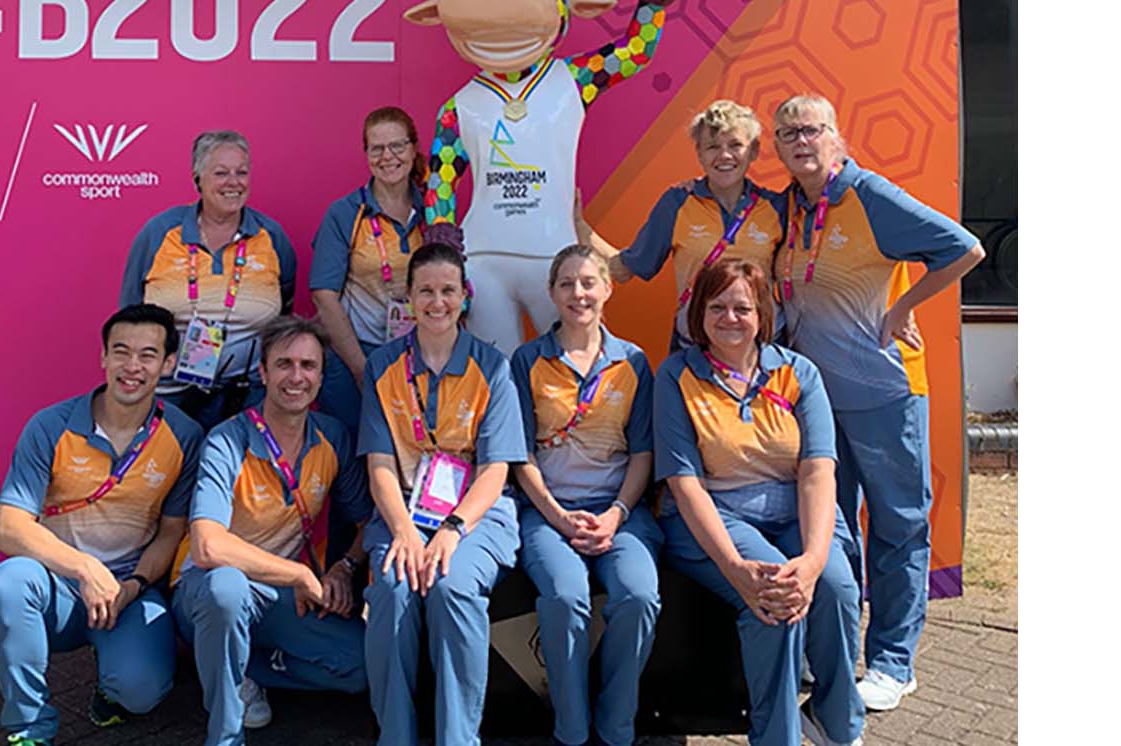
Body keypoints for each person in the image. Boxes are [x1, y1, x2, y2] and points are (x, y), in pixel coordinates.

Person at [766, 94, 985, 712]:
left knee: (899, 527)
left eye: (811, 129)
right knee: (832, 528)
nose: (800, 140)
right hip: (816, 399)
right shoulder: (789, 208)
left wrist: (903, 309)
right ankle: (834, 653)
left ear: (835, 136)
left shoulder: (869, 196)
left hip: (884, 391)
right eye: (787, 133)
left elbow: (965, 248)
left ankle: (893, 662)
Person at [654, 259, 863, 746]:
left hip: (797, 510)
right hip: (717, 515)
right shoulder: (676, 377)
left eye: (742, 308)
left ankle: (834, 720)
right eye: (717, 306)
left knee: (836, 586)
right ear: (698, 315)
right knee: (773, 594)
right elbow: (685, 485)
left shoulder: (798, 374)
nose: (730, 318)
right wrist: (731, 565)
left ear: (762, 314)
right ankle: (775, 736)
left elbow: (817, 471)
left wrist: (812, 560)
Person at [0, 303, 207, 746]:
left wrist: (134, 584)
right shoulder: (50, 426)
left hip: (130, 592)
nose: (132, 366)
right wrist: (84, 569)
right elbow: (8, 527)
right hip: (57, 584)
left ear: (168, 364)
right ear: (103, 357)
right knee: (8, 584)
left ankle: (112, 685)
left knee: (141, 693)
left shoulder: (185, 435)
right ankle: (29, 727)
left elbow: (171, 531)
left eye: (147, 355)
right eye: (120, 352)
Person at [410, 0, 675, 353]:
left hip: (555, 256)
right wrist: (443, 253)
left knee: (568, 365)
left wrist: (652, 7)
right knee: (496, 374)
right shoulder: (460, 106)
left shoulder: (573, 79)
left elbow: (634, 53)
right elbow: (440, 183)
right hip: (483, 261)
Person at [174, 315, 374, 746]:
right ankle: (225, 735)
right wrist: (301, 575)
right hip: (208, 590)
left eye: (308, 365)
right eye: (284, 364)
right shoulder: (226, 440)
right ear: (263, 373)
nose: (296, 376)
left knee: (360, 665)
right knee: (226, 588)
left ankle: (239, 664)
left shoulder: (332, 436)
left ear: (321, 376)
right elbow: (208, 547)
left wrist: (343, 566)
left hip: (277, 595)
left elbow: (366, 524)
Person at [357, 243, 527, 746]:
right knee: (391, 588)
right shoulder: (382, 367)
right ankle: (396, 734)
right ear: (408, 297)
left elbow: (496, 470)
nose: (437, 302)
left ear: (464, 296)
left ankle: (458, 737)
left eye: (447, 291)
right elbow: (380, 464)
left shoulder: (493, 367)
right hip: (403, 511)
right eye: (425, 291)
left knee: (453, 587)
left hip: (475, 515)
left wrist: (452, 531)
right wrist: (405, 532)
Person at [507, 245, 660, 746]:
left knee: (638, 595)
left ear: (607, 289)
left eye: (589, 282)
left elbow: (642, 454)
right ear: (551, 293)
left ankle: (616, 725)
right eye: (567, 283)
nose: (579, 293)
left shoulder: (633, 361)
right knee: (565, 596)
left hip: (621, 513)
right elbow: (519, 455)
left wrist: (616, 515)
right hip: (548, 513)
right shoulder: (527, 360)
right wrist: (555, 514)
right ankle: (571, 729)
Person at [121, 129, 299, 430]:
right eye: (221, 173)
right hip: (170, 393)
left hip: (249, 392)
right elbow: (130, 314)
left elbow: (285, 307)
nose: (233, 182)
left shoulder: (271, 236)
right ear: (197, 178)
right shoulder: (160, 232)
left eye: (241, 172)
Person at [578, 99, 787, 351]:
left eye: (735, 145)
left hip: (764, 349)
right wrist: (577, 224)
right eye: (712, 146)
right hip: (696, 350)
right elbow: (623, 270)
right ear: (699, 152)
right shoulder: (677, 203)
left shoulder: (778, 207)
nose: (724, 155)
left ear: (753, 151)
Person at [310, 106, 428, 429]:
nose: (387, 157)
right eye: (377, 148)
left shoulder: (435, 209)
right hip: (355, 358)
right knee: (352, 457)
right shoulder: (345, 213)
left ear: (414, 148)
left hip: (420, 354)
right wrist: (361, 369)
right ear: (366, 154)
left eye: (397, 146)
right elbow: (324, 296)